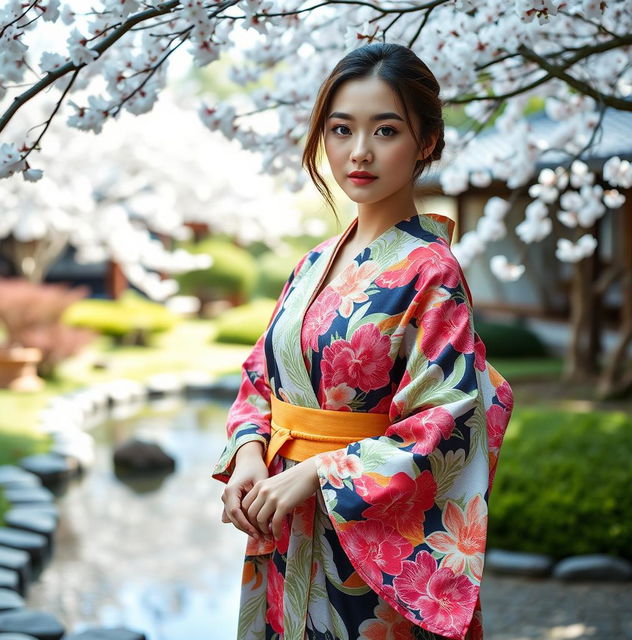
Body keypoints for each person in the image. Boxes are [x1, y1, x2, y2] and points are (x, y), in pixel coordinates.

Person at [211, 42, 514, 640]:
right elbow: (260, 379)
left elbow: (444, 420)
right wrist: (249, 456)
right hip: (282, 520)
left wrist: (321, 474)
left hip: (363, 539)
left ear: (426, 142)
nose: (359, 152)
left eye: (386, 130)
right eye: (341, 129)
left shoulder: (433, 271)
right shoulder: (312, 264)